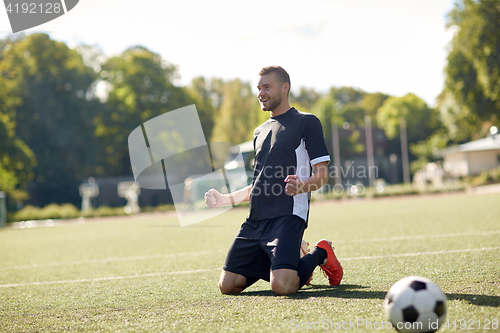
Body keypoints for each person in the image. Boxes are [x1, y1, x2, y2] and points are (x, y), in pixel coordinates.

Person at [204, 66, 343, 295]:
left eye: (267, 87)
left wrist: (302, 186)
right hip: (256, 219)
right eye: (259, 88)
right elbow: (258, 183)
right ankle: (291, 258)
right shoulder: (259, 131)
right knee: (227, 286)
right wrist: (225, 199)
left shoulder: (307, 122)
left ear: (285, 88)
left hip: (287, 217)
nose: (261, 93)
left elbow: (322, 175)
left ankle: (320, 252)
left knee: (283, 286)